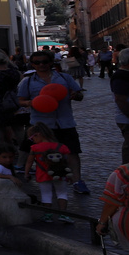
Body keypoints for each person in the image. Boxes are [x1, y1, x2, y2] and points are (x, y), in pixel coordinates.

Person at [16, 52, 88, 195]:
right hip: (41, 124)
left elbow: (79, 94)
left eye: (44, 61)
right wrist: (31, 103)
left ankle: (77, 181)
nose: (41, 64)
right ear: (33, 64)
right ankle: (49, 183)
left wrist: (76, 95)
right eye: (37, 62)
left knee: (73, 152)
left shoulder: (64, 78)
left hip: (65, 122)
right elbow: (20, 100)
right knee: (43, 155)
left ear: (50, 63)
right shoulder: (28, 81)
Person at [23, 124, 73, 206]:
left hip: (43, 175)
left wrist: (26, 173)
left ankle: (48, 215)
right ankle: (64, 214)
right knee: (62, 193)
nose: (33, 140)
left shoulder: (35, 148)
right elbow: (68, 162)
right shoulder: (62, 147)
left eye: (32, 138)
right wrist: (70, 175)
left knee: (46, 194)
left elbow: (29, 162)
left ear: (37, 135)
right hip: (60, 174)